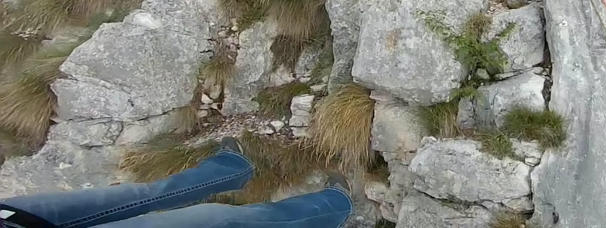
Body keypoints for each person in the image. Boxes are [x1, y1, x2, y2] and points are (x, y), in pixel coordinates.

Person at [0, 138, 352, 228]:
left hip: (13, 216)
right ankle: (331, 210)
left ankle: (230, 170)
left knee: (135, 195)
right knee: (213, 220)